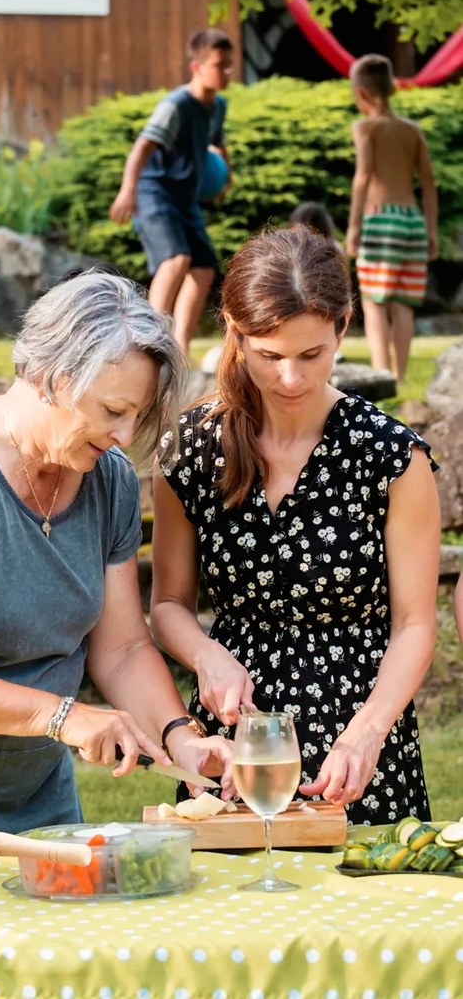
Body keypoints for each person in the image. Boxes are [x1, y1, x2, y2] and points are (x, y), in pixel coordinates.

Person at [0, 270, 233, 833]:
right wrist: (62, 716)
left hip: (43, 800)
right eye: (113, 410)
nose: (124, 434)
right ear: (49, 377)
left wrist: (181, 738)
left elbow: (119, 649)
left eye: (136, 416)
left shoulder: (107, 479)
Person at [150, 226, 440, 825]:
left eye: (311, 355)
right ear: (234, 331)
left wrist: (368, 731)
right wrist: (206, 656)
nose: (290, 378)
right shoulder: (193, 445)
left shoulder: (389, 456)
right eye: (269, 355)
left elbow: (414, 622)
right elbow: (168, 604)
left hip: (358, 736)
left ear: (343, 327)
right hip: (234, 743)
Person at [109, 28, 234, 356]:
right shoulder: (176, 105)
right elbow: (142, 147)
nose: (227, 72)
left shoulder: (217, 105)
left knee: (204, 267)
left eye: (229, 65)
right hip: (154, 191)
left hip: (184, 196)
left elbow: (217, 144)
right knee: (176, 258)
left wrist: (226, 176)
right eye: (220, 65)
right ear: (197, 67)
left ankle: (178, 349)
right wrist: (128, 189)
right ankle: (145, 341)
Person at [346, 53, 439, 383]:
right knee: (403, 303)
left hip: (380, 220)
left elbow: (363, 176)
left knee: (373, 302)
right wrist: (431, 231)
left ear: (362, 93)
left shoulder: (365, 127)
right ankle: (399, 376)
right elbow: (428, 182)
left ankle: (381, 375)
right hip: (411, 221)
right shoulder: (412, 130)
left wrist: (354, 226)